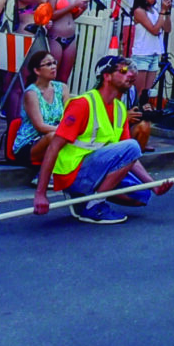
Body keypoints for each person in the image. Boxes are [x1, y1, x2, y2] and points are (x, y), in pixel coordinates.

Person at [34, 54, 156, 221]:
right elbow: (54, 146)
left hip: (97, 169)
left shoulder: (120, 108)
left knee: (142, 195)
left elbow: (129, 156)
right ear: (106, 76)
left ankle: (85, 197)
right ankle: (93, 205)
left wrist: (153, 184)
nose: (131, 74)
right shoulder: (83, 104)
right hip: (74, 172)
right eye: (124, 70)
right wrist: (41, 194)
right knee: (133, 146)